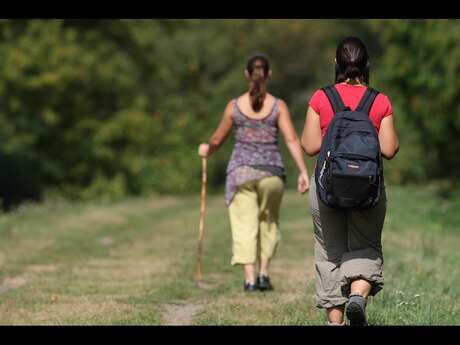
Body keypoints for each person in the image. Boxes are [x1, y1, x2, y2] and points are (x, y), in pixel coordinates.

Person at [301, 37, 399, 325]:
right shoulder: (379, 100)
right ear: (367, 65)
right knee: (365, 246)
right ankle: (358, 296)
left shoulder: (321, 98)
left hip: (326, 187)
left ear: (336, 64)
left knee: (329, 253)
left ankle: (336, 323)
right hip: (367, 189)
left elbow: (309, 146)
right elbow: (390, 150)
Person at [198, 55, 310, 292]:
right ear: (268, 75)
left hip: (241, 174)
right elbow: (291, 139)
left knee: (244, 225)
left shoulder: (234, 106)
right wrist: (303, 171)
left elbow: (218, 139)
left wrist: (207, 149)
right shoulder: (278, 106)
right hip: (272, 175)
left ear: (247, 74)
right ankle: (264, 275)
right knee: (268, 223)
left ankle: (249, 280)